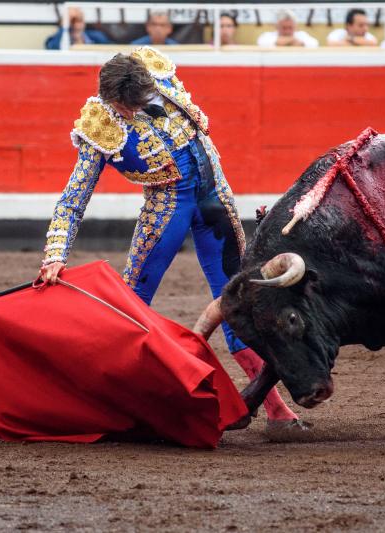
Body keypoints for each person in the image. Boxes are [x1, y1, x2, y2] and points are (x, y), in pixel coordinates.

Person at [39, 47, 306, 431]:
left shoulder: (156, 71)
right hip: (168, 208)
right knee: (130, 307)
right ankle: (117, 402)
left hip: (215, 200)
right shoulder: (101, 124)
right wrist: (54, 254)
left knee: (240, 301)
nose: (136, 109)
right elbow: (72, 199)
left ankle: (275, 408)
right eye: (127, 106)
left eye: (142, 99)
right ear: (110, 101)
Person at [45, 7, 110, 50]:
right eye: (72, 22)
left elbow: (110, 51)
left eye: (79, 21)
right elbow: (55, 49)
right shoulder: (52, 40)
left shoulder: (97, 37)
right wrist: (64, 26)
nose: (76, 25)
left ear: (84, 23)